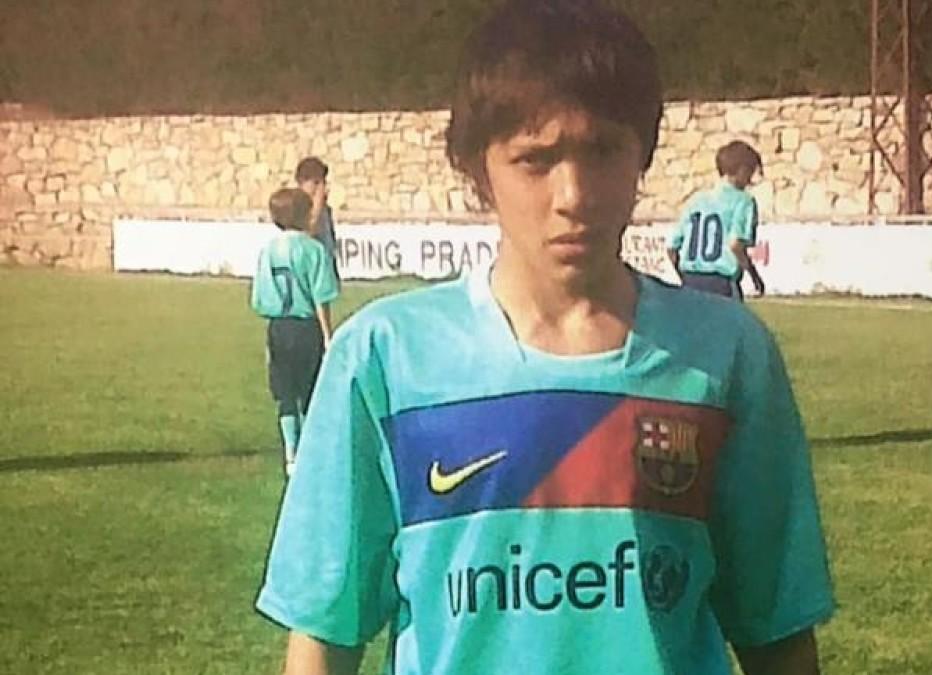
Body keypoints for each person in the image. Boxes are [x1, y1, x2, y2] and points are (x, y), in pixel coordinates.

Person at [255, 2, 835, 674]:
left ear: (642, 154)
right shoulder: (385, 357)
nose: (574, 193)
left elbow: (779, 634)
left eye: (602, 150)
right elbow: (325, 634)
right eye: (535, 159)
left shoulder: (726, 355)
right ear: (479, 171)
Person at [250, 188, 340, 477]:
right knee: (311, 392)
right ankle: (314, 452)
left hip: (279, 327)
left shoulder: (268, 251)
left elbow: (260, 298)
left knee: (285, 392)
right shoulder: (313, 250)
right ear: (304, 215)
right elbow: (321, 296)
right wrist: (328, 335)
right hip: (306, 328)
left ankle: (291, 454)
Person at [667, 140, 765, 299]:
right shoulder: (743, 201)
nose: (750, 179)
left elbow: (672, 247)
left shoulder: (695, 200)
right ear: (741, 170)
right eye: (750, 171)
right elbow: (735, 244)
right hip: (721, 282)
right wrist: (754, 277)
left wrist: (683, 275)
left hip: (690, 280)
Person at [295, 156, 340, 281]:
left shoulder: (326, 210)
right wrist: (317, 203)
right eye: (315, 183)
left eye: (322, 182)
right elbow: (309, 230)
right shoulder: (297, 207)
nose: (321, 188)